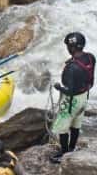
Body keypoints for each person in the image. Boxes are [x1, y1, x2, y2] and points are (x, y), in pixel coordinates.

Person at [50, 32, 96, 164]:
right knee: (76, 124)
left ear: (73, 48)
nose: (67, 49)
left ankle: (63, 153)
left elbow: (69, 91)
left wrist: (59, 88)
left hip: (71, 101)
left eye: (68, 46)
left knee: (62, 127)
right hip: (83, 97)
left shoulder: (72, 67)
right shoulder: (90, 58)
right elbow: (90, 81)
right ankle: (72, 148)